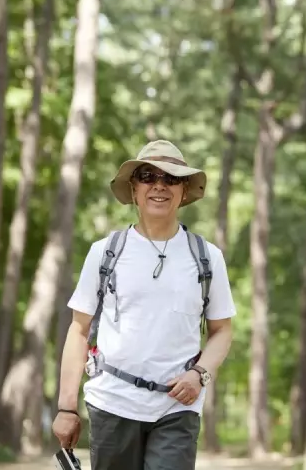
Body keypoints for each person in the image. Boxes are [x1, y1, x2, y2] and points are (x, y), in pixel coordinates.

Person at [52, 140, 236, 470]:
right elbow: (79, 331)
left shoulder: (208, 257)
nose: (159, 186)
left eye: (171, 178)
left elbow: (222, 331)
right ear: (134, 188)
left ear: (184, 190)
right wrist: (67, 407)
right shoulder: (105, 252)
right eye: (148, 176)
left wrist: (199, 374)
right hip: (112, 403)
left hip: (177, 410)